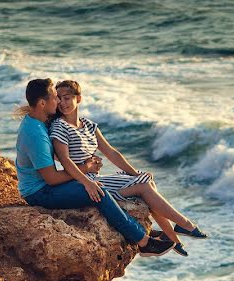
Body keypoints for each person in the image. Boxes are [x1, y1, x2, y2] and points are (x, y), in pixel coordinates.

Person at [15, 78, 175, 257]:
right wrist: (85, 169)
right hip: (39, 192)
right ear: (43, 103)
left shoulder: (38, 121)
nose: (59, 101)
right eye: (55, 97)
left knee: (100, 187)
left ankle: (136, 228)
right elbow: (51, 179)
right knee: (99, 192)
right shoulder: (36, 134)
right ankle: (144, 242)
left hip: (44, 185)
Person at [49, 79, 207, 257]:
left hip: (96, 179)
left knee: (146, 180)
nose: (62, 103)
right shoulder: (59, 127)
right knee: (144, 186)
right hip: (85, 183)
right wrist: (86, 182)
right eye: (59, 98)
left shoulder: (89, 125)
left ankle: (174, 238)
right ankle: (184, 225)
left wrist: (134, 173)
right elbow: (65, 160)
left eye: (67, 98)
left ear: (79, 98)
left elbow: (111, 153)